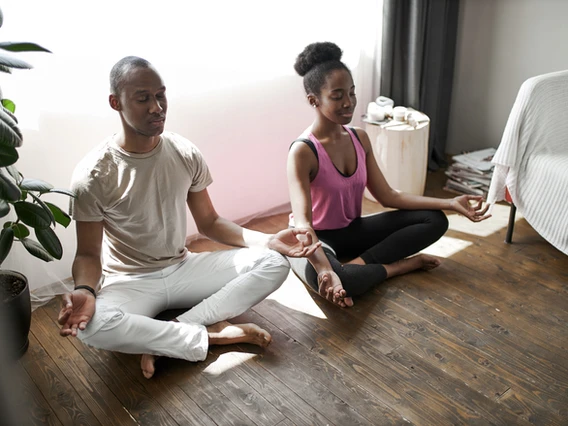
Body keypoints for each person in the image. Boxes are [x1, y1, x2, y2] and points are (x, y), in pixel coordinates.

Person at [57, 56, 320, 379]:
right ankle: (211, 335)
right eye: (143, 98)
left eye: (161, 95)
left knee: (276, 262)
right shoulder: (93, 174)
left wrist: (267, 240)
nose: (156, 107)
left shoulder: (183, 152)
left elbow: (210, 222)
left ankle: (178, 329)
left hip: (183, 267)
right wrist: (85, 289)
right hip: (129, 281)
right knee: (92, 328)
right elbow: (87, 253)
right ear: (116, 103)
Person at [287, 42, 490, 308]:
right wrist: (326, 271)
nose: (348, 103)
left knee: (435, 220)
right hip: (316, 240)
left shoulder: (359, 137)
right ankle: (399, 267)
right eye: (337, 96)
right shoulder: (303, 151)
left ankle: (356, 267)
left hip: (352, 231)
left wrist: (450, 204)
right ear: (314, 100)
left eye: (351, 92)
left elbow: (388, 196)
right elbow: (303, 225)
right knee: (344, 282)